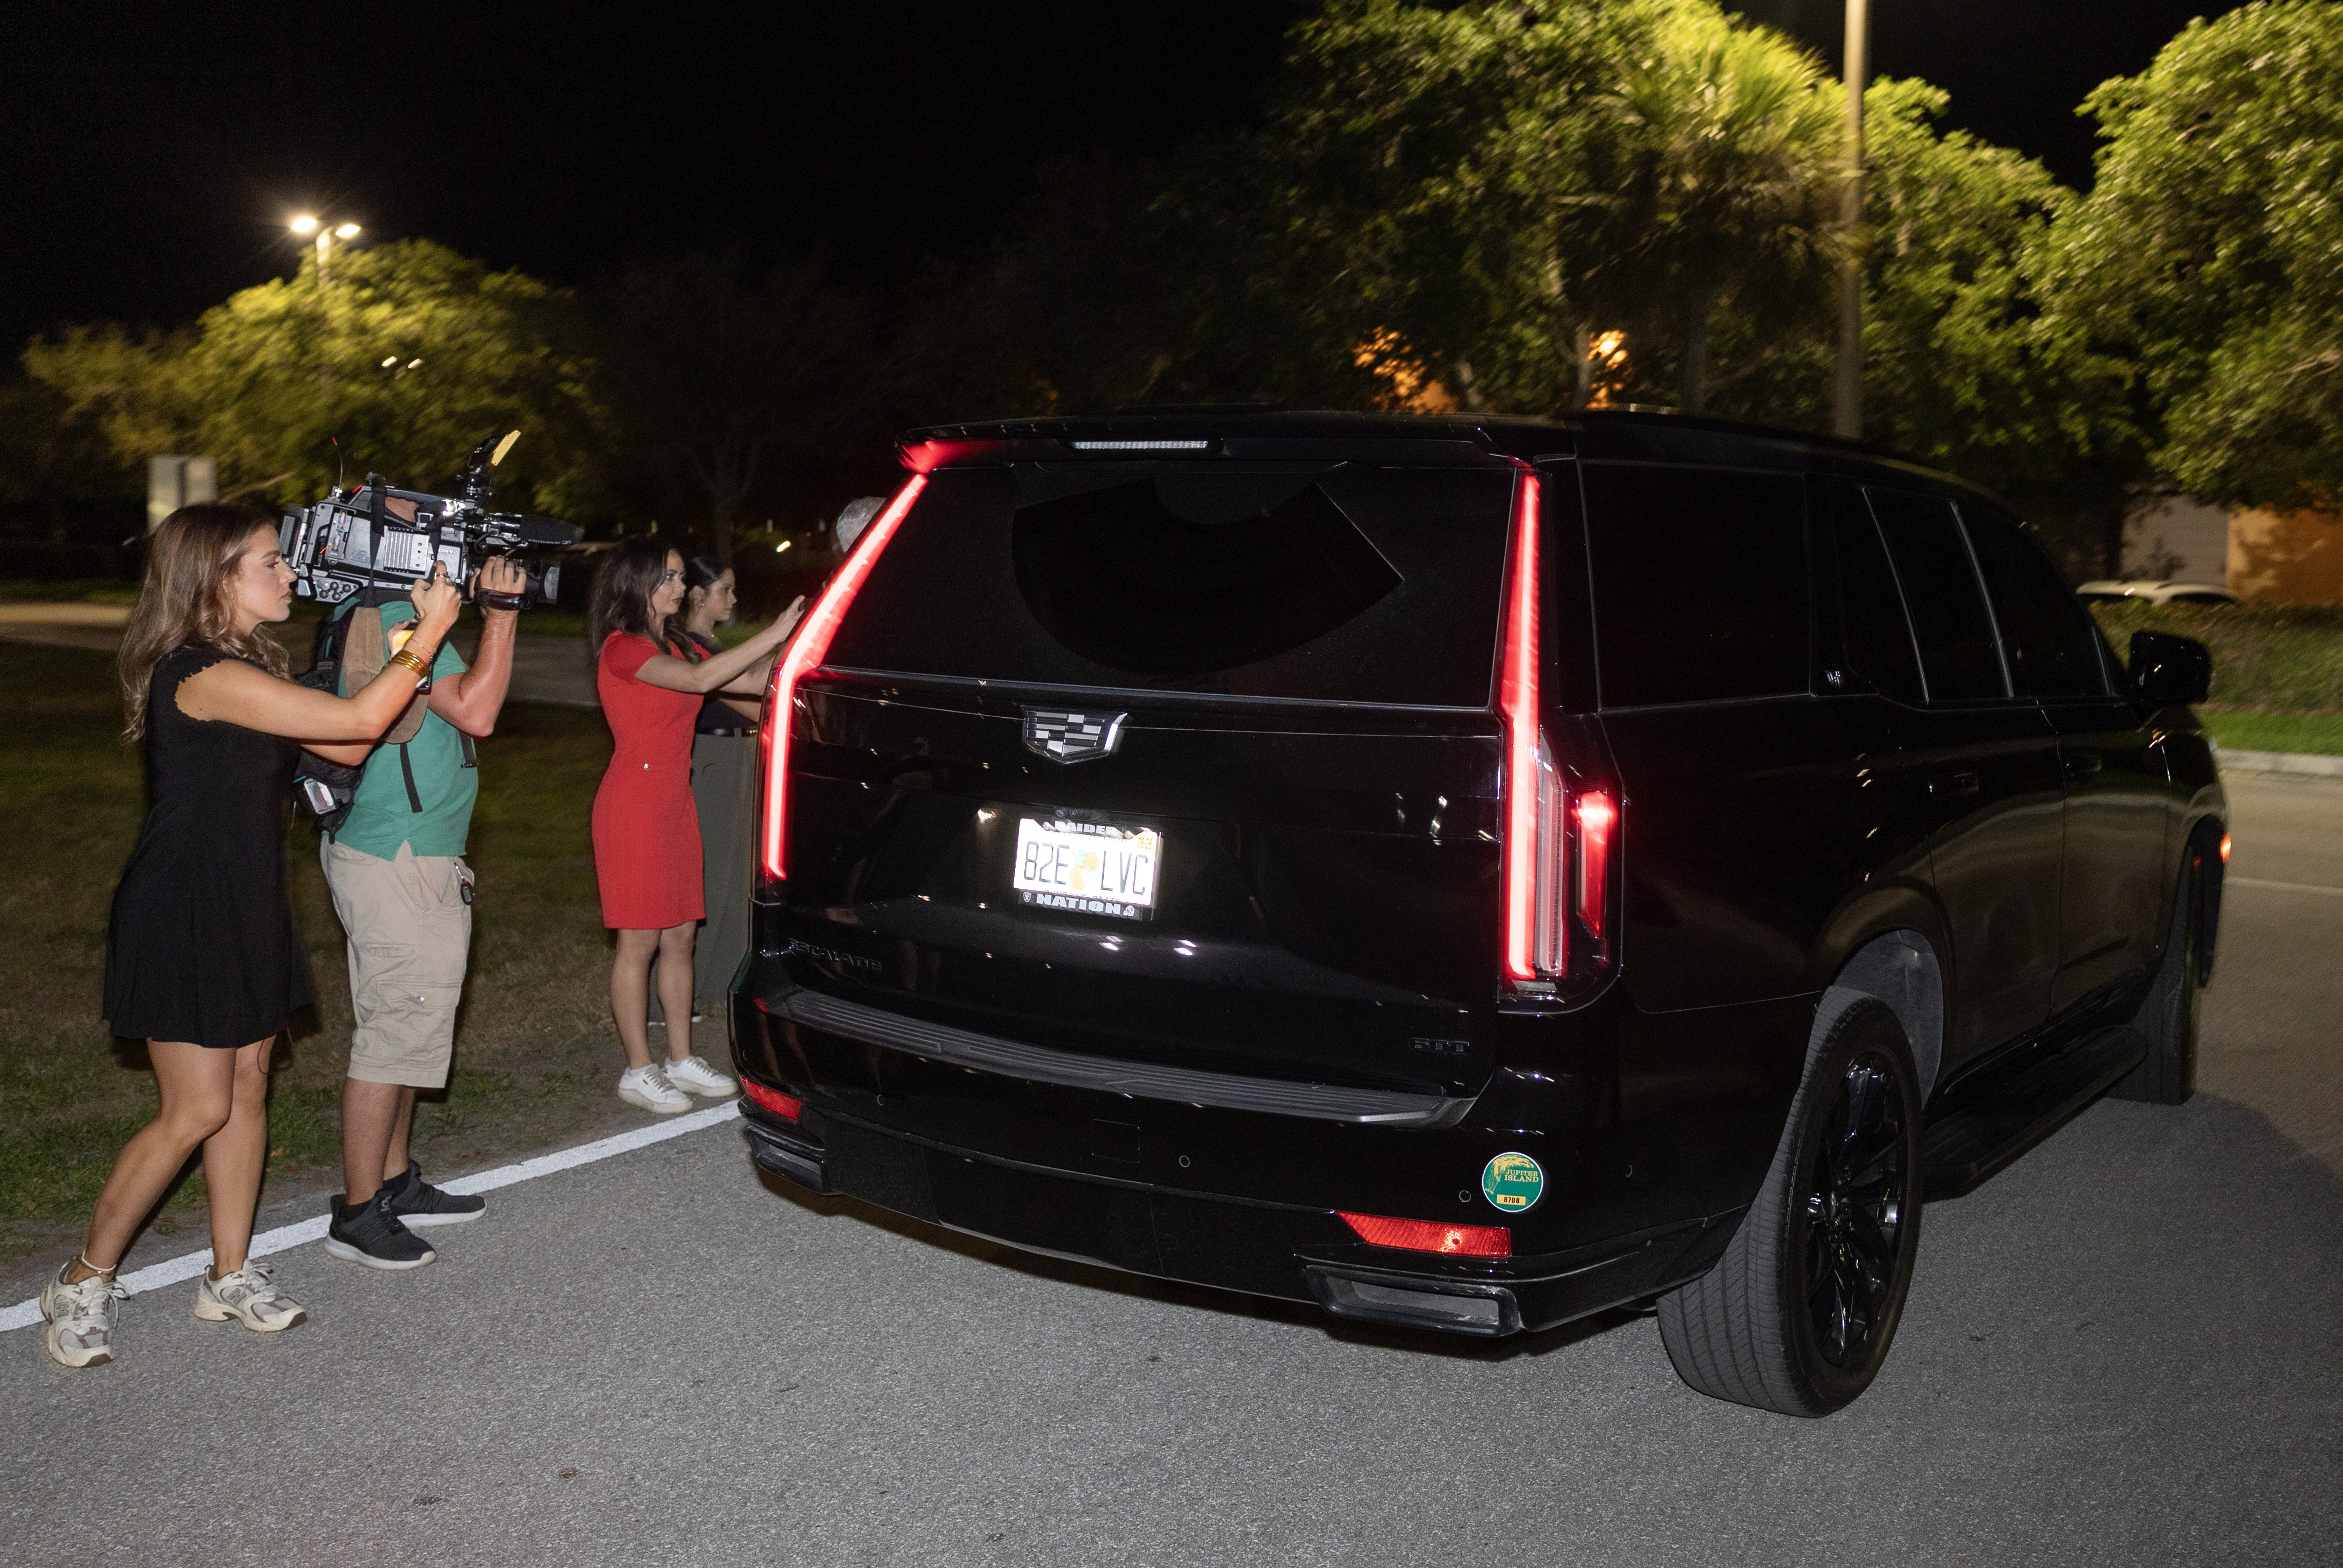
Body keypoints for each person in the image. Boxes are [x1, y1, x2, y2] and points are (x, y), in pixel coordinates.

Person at [42, 504, 461, 1369]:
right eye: (270, 562)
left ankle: (228, 1274)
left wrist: (400, 652)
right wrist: (426, 637)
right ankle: (82, 1278)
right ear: (216, 577)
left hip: (247, 900)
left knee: (248, 1085)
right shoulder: (197, 672)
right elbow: (352, 726)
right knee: (196, 1106)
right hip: (183, 905)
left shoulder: (247, 662)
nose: (290, 573)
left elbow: (344, 752)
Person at [317, 531, 531, 1271]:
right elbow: (476, 711)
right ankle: (357, 1209)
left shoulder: (380, 611)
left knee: (414, 1023)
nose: (446, 550)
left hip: (400, 847)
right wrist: (500, 614)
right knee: (392, 1033)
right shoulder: (398, 617)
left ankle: (394, 1180)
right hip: (400, 854)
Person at [586, 537, 803, 1113]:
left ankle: (680, 1057)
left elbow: (755, 683)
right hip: (633, 800)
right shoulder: (622, 648)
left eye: (683, 577)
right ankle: (638, 1067)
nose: (682, 588)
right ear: (638, 583)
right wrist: (776, 631)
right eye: (672, 577)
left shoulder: (680, 645)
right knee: (639, 942)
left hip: (674, 801)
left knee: (681, 935)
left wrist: (809, 643)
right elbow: (696, 685)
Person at [675, 556, 762, 1020]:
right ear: (698, 595)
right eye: (725, 590)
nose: (732, 598)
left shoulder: (711, 645)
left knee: (732, 874)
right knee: (709, 874)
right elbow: (751, 707)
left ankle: (715, 980)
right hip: (713, 760)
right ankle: (686, 987)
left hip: (734, 758)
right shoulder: (690, 649)